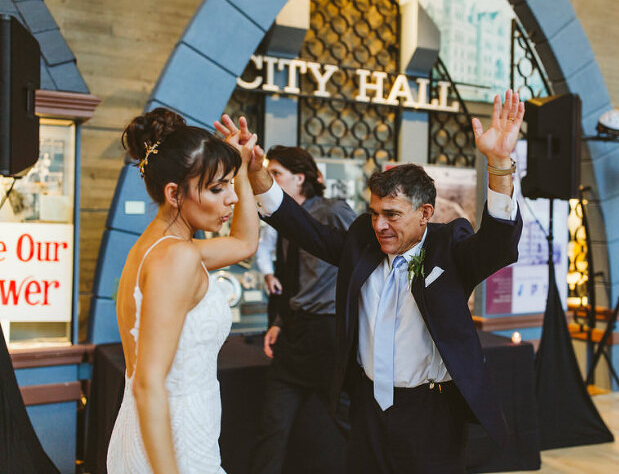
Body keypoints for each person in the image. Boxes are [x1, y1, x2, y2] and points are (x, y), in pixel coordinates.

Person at [247, 90, 525, 474]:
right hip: (368, 405)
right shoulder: (362, 242)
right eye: (375, 212)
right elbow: (304, 229)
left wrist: (498, 164)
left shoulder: (449, 246)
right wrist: (257, 175)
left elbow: (498, 244)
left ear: (425, 213)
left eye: (392, 214)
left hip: (430, 411)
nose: (380, 225)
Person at [106, 109, 260, 474]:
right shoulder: (176, 258)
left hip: (158, 431)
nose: (232, 198)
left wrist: (241, 167)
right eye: (217, 188)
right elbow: (148, 383)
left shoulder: (162, 248)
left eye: (229, 185)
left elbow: (244, 242)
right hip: (173, 442)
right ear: (174, 193)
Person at [245, 146, 356, 474]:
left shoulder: (333, 209)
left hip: (329, 336)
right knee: (272, 428)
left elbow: (367, 256)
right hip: (294, 334)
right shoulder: (285, 221)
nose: (269, 179)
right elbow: (292, 281)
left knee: (352, 425)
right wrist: (279, 322)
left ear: (300, 178)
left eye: (276, 174)